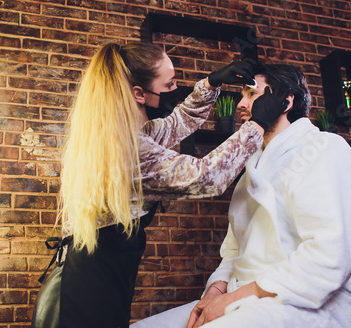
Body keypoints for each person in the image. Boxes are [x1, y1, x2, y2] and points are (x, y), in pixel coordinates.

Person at [31, 42, 288, 328]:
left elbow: (180, 120)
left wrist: (212, 83)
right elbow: (207, 177)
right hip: (87, 287)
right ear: (139, 94)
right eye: (170, 83)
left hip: (102, 277)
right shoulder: (128, 148)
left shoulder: (136, 131)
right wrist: (257, 125)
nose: (175, 89)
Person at [131, 64, 351, 328]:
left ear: (285, 101)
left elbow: (329, 257)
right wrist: (216, 292)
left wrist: (234, 298)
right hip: (246, 294)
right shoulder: (253, 165)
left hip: (307, 302)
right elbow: (235, 250)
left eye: (251, 95)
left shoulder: (324, 149)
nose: (240, 104)